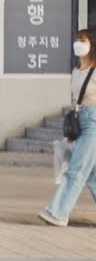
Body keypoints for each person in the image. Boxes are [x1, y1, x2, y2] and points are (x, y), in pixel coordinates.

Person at [40, 29, 96, 227]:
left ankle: (58, 212)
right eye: (76, 39)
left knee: (76, 169)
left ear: (92, 45)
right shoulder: (76, 71)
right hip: (80, 121)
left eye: (82, 40)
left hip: (93, 122)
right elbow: (74, 100)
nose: (78, 43)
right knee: (91, 174)